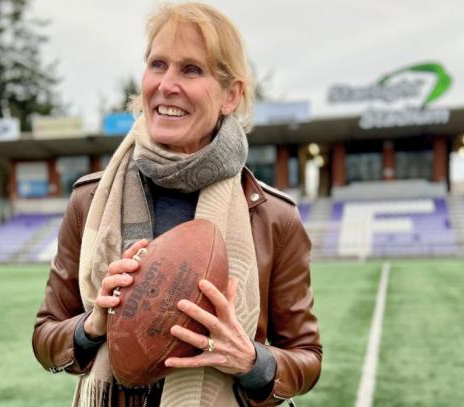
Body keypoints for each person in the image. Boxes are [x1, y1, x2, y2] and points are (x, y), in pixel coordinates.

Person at [32, 3, 321, 406]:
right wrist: (92, 326)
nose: (167, 85)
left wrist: (252, 361)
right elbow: (46, 334)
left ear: (231, 95)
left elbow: (307, 356)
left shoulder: (273, 216)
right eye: (157, 65)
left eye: (191, 70)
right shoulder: (90, 199)